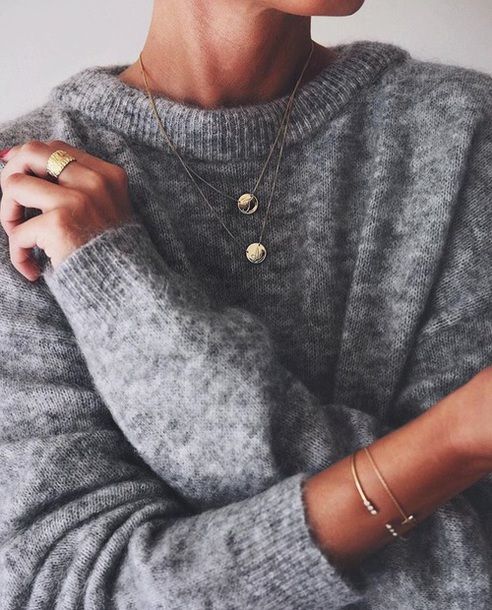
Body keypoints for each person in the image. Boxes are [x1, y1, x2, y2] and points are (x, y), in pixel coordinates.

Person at [0, 0, 491, 607]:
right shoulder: (26, 194)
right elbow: (70, 591)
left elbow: (473, 564)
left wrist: (116, 293)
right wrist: (452, 443)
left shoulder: (466, 137)